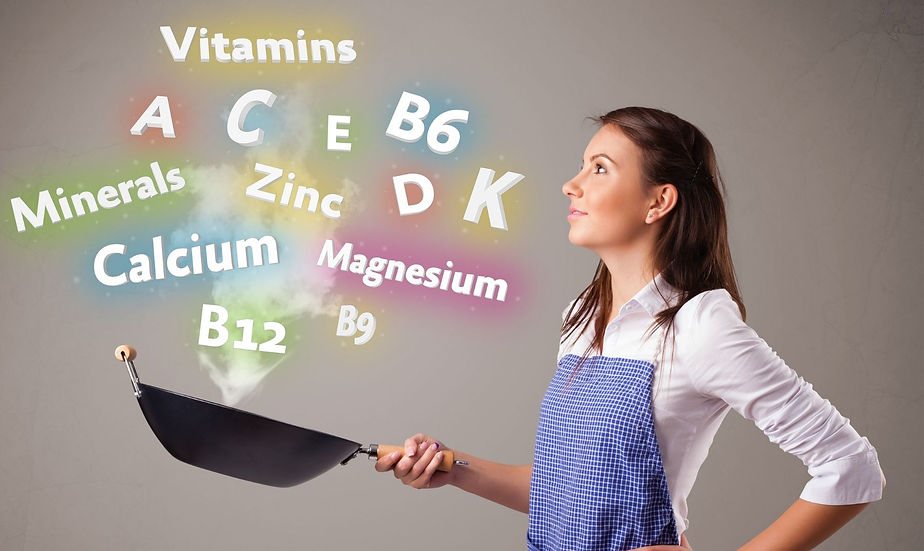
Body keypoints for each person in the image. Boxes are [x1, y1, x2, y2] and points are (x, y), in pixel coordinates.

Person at [374, 106, 886, 551]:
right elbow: (569, 494)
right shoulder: (582, 316)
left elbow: (851, 466)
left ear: (658, 202)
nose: (571, 185)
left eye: (600, 169)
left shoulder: (699, 324)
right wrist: (452, 466)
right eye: (582, 167)